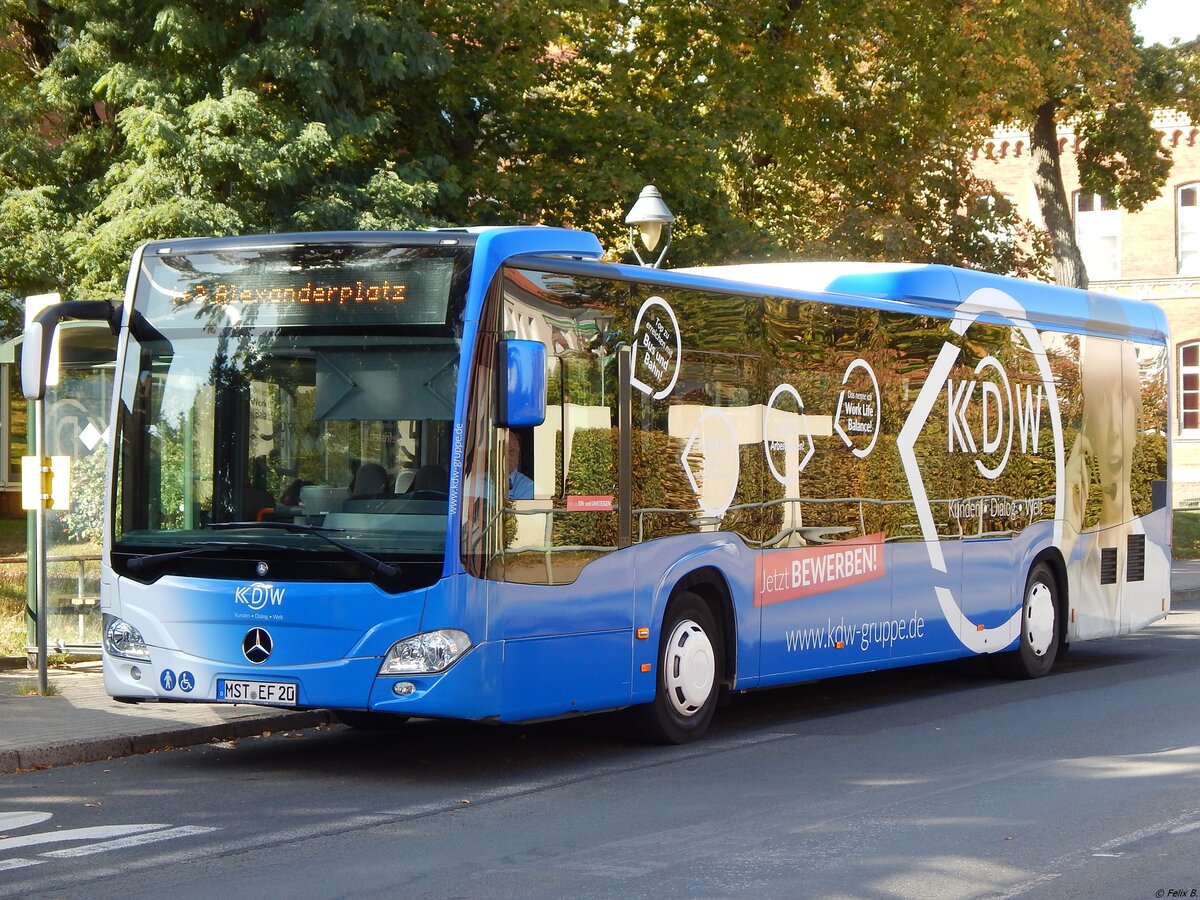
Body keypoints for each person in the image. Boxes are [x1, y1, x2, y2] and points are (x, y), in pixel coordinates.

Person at [507, 430, 534, 499]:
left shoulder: (528, 487)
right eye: (501, 450)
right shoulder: (479, 481)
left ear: (518, 455)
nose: (507, 456)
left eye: (511, 452)